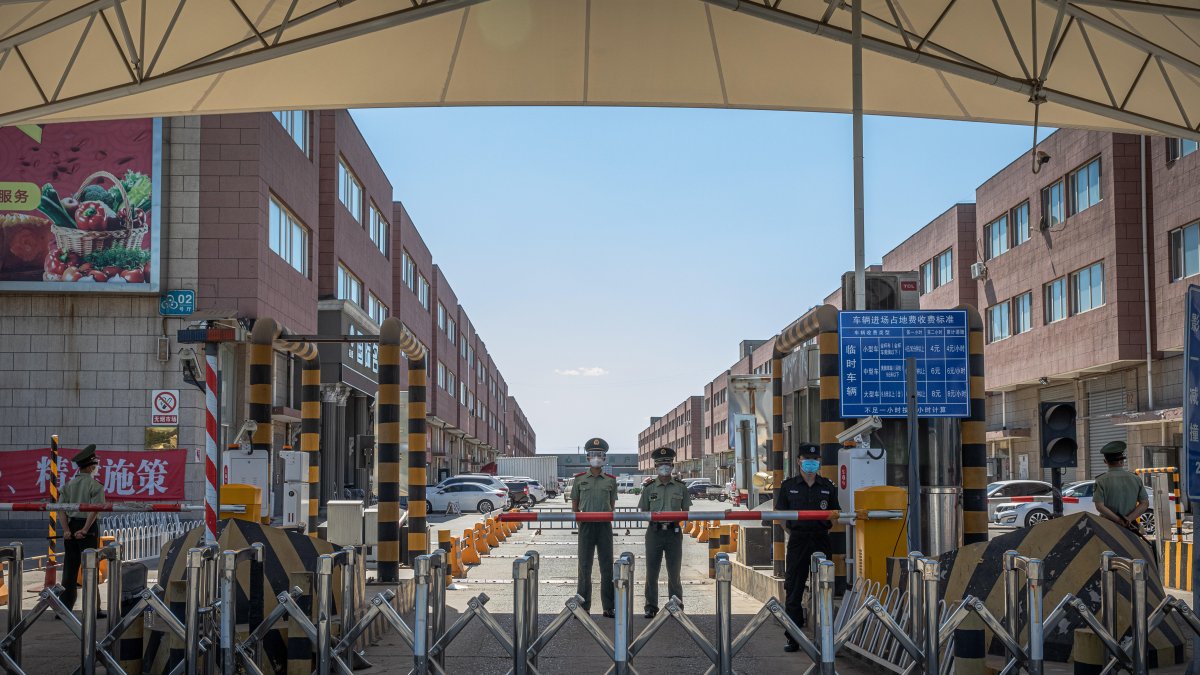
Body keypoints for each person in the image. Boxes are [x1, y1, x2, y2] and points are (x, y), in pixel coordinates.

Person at [774, 443, 838, 652]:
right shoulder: (788, 485)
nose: (811, 463)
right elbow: (781, 515)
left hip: (820, 539)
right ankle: (793, 637)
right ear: (799, 461)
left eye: (815, 459)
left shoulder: (827, 486)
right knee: (794, 588)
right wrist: (793, 533)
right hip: (798, 540)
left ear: (819, 462)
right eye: (806, 459)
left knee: (824, 588)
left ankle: (824, 638)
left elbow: (834, 513)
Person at [638, 446, 691, 618]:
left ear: (672, 466)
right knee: (652, 571)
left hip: (674, 533)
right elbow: (644, 511)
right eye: (661, 463)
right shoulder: (649, 488)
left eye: (667, 463)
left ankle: (675, 604)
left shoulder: (681, 487)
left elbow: (686, 511)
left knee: (674, 571)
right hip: (654, 532)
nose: (664, 466)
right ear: (655, 467)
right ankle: (650, 606)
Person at [571, 437, 618, 617]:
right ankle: (583, 606)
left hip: (604, 526)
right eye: (593, 455)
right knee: (584, 567)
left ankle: (608, 606)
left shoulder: (610, 481)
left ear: (604, 458)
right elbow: (575, 505)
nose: (596, 458)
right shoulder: (579, 480)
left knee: (607, 567)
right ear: (587, 458)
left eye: (599, 455)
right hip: (586, 527)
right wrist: (582, 520)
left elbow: (612, 505)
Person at [59, 444, 107, 618]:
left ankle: (63, 609)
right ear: (91, 466)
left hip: (70, 526)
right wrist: (85, 530)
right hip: (88, 528)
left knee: (69, 569)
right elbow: (94, 510)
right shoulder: (96, 486)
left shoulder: (68, 486)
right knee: (90, 568)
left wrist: (66, 530)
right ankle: (93, 609)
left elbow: (61, 509)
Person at [1093, 441, 1149, 532]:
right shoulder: (1135, 479)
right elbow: (1145, 503)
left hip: (1108, 527)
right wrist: (1129, 519)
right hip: (1130, 527)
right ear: (1122, 461)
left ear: (1105, 461)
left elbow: (1099, 506)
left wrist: (1118, 520)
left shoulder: (1101, 480)